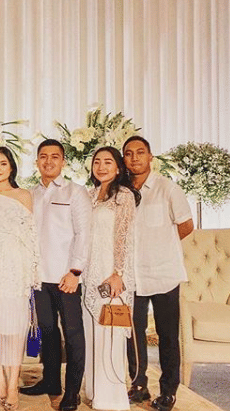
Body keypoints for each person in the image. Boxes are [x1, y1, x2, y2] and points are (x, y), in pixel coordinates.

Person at [20, 139, 92, 411]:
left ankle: (72, 392)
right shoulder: (31, 194)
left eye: (54, 156)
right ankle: (51, 382)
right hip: (39, 277)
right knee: (48, 332)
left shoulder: (76, 192)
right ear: (36, 161)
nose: (48, 161)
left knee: (73, 335)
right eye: (43, 156)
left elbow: (84, 234)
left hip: (66, 277)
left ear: (63, 161)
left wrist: (75, 271)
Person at [123, 136, 194, 411]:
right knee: (133, 334)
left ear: (150, 156)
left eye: (140, 152)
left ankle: (168, 391)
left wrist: (162, 245)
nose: (135, 158)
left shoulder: (168, 188)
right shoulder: (122, 191)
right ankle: (138, 385)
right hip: (133, 276)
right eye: (129, 153)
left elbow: (186, 225)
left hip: (164, 273)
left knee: (167, 335)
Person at [0, 146, 40, 411]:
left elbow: (31, 236)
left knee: (14, 327)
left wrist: (32, 272)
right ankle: (0, 381)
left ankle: (13, 384)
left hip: (16, 269)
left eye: (3, 163)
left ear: (11, 166)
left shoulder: (23, 195)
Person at [82, 147, 140, 410]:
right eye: (97, 162)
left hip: (112, 275)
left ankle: (111, 399)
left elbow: (124, 236)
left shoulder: (124, 196)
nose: (101, 166)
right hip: (90, 274)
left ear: (118, 168)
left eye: (108, 162)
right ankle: (94, 392)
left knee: (111, 333)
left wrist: (119, 273)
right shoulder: (88, 195)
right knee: (92, 334)